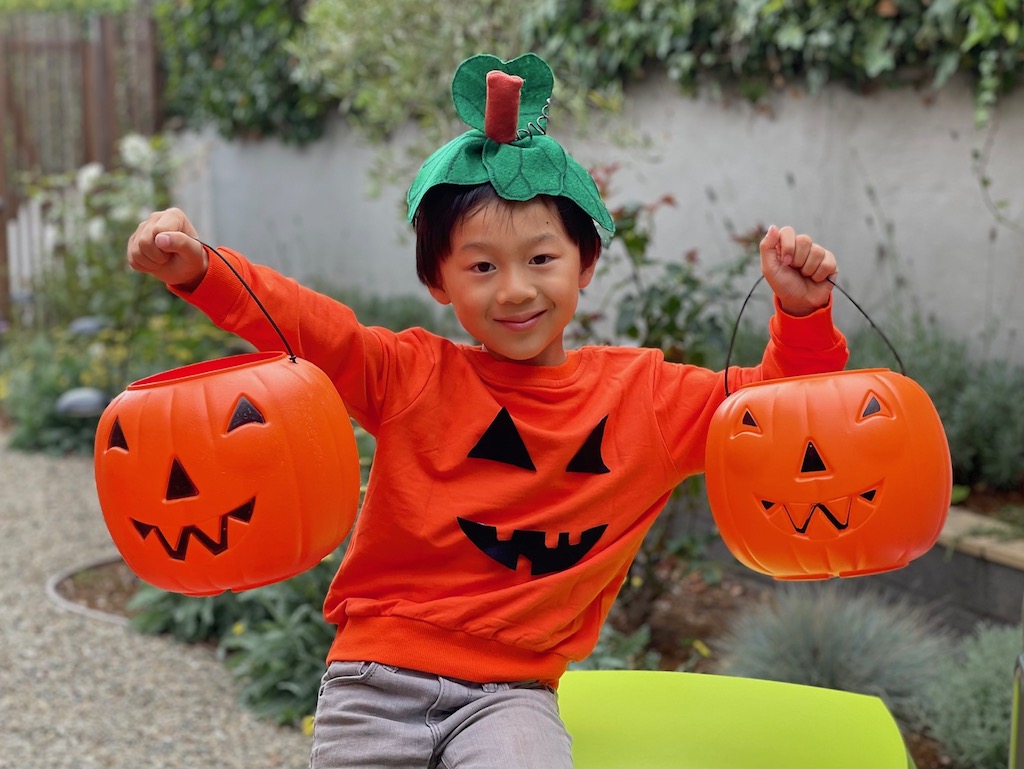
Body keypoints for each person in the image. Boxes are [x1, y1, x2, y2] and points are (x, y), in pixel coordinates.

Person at [126, 53, 848, 769]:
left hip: (512, 696)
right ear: (439, 280)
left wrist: (802, 312)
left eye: (541, 259)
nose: (513, 290)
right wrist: (200, 269)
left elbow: (777, 413)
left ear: (585, 264)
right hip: (374, 677)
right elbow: (314, 329)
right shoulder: (410, 375)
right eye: (481, 266)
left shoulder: (649, 399)